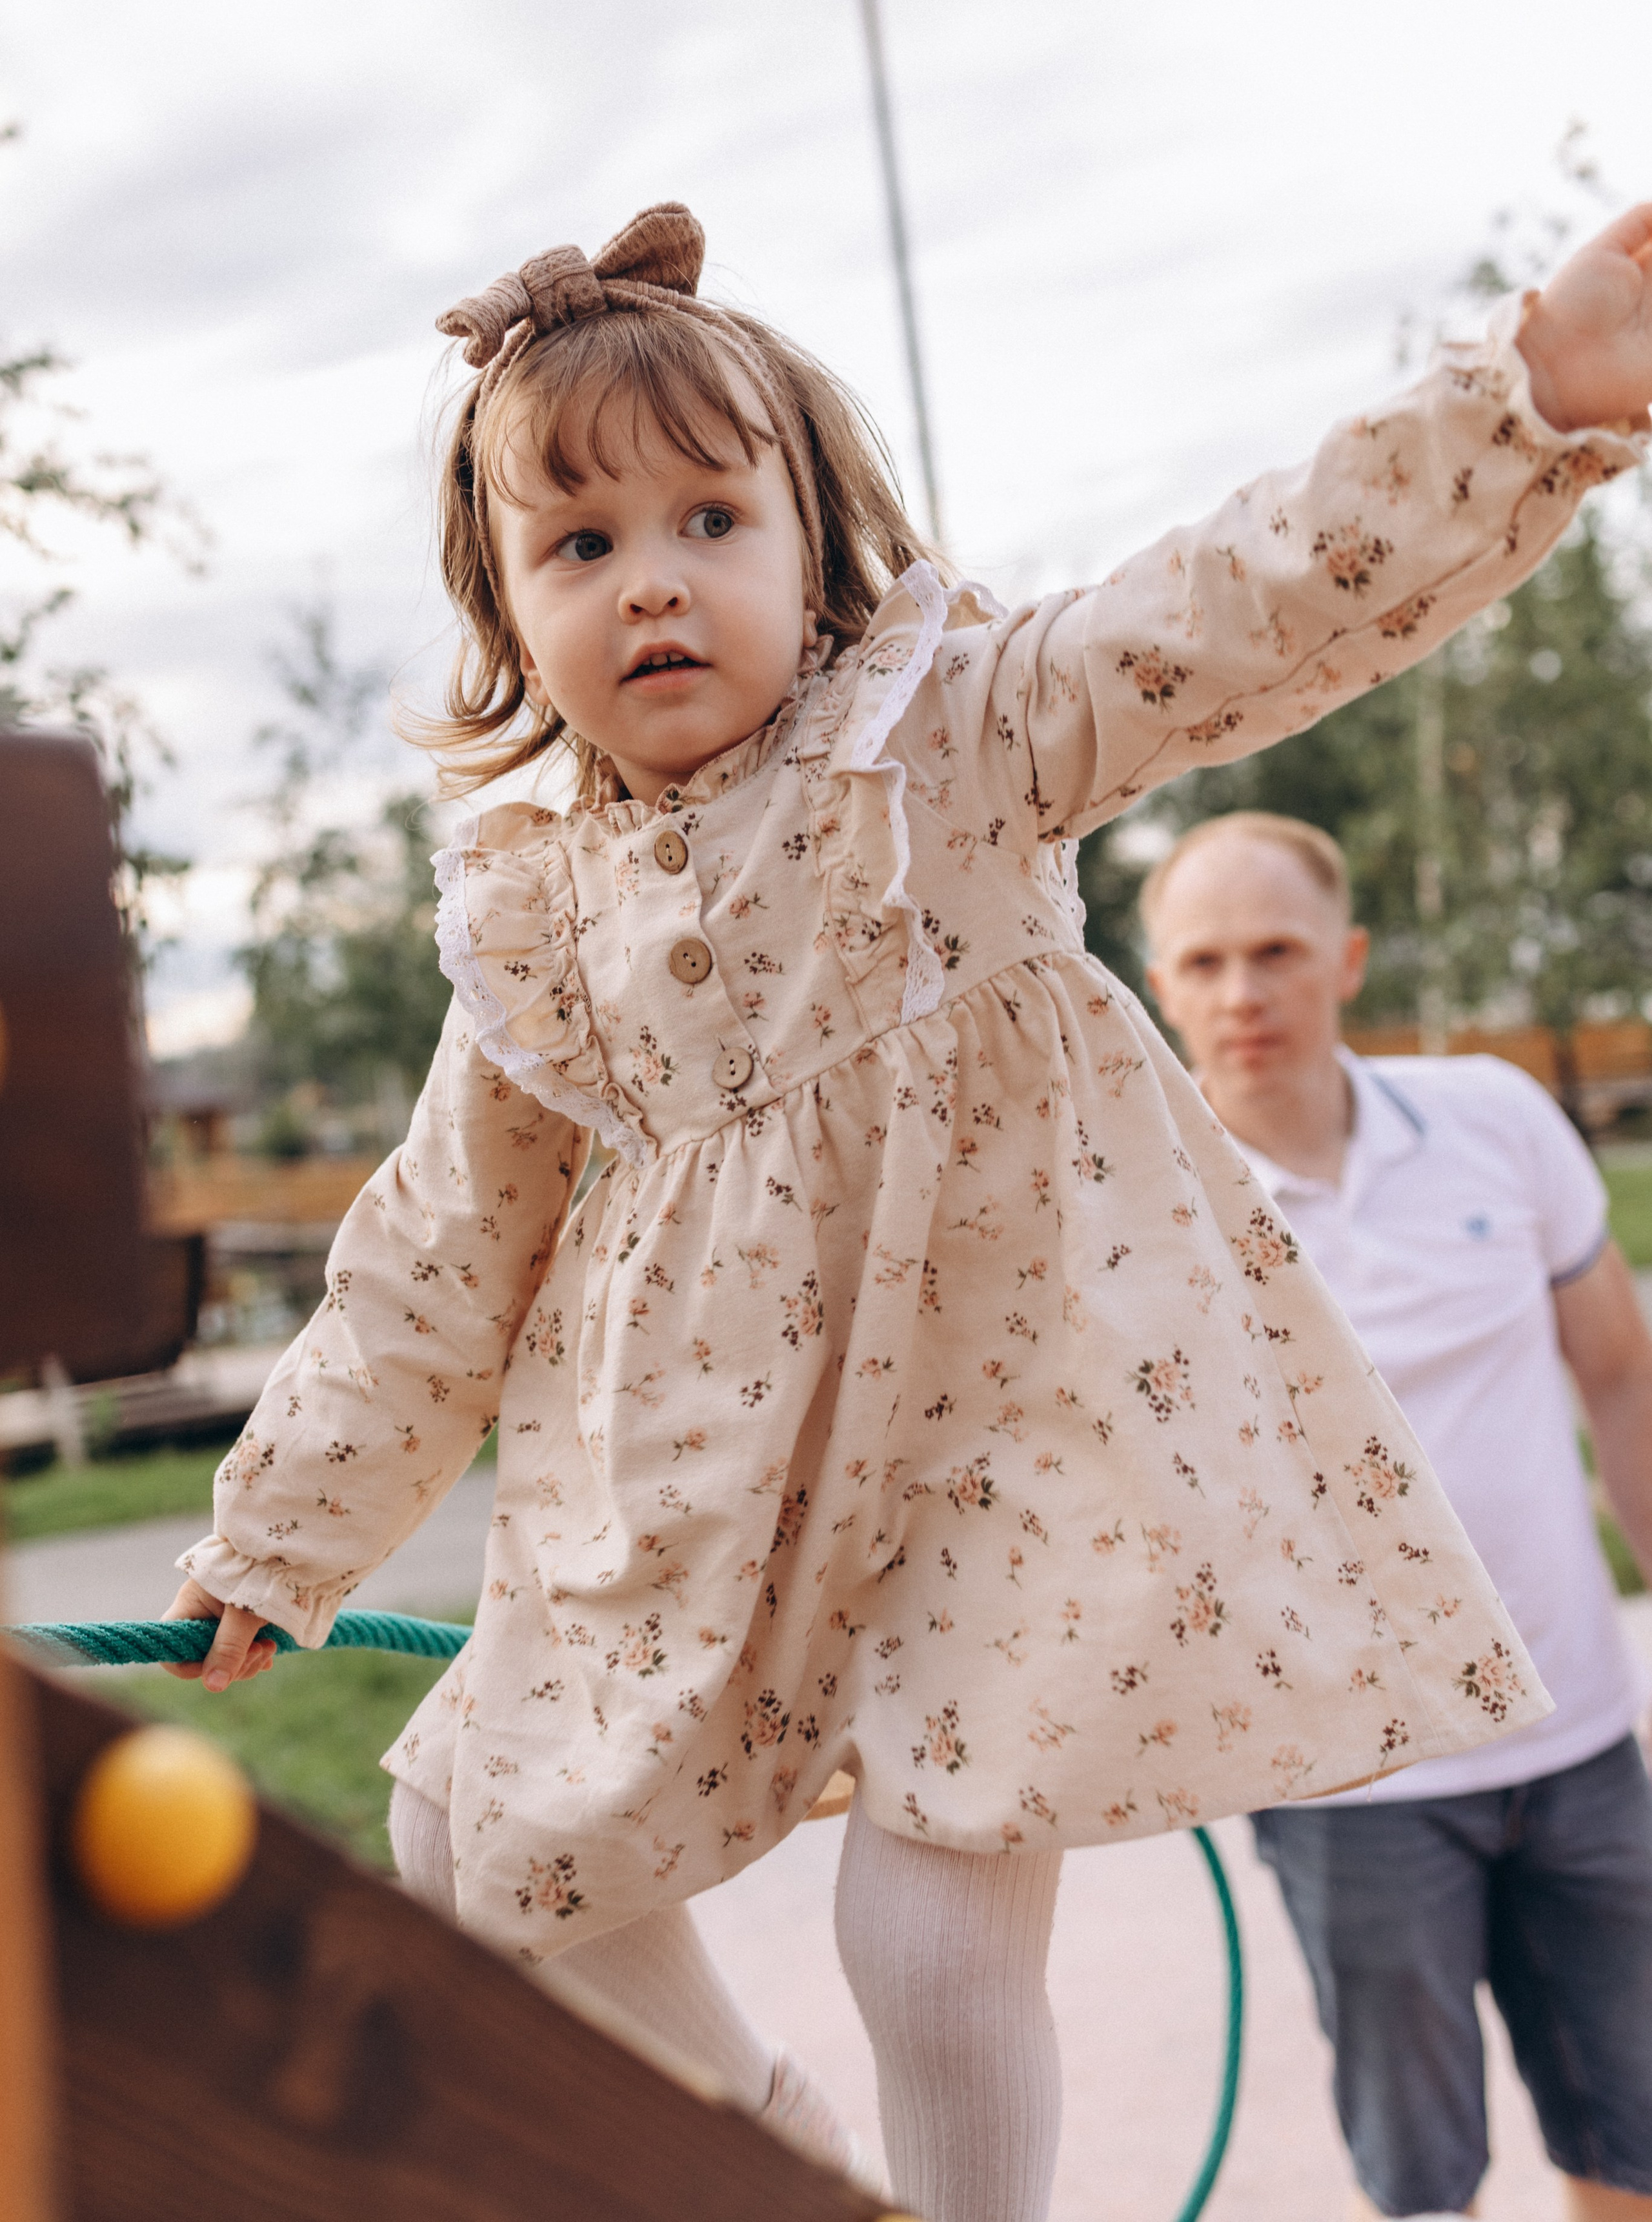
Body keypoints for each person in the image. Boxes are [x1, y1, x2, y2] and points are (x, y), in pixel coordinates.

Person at [165, 197, 1652, 2222]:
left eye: (711, 521)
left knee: (932, 1931)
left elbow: (1240, 604)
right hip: (706, 1476)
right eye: (580, 549)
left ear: (816, 544)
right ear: (512, 621)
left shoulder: (950, 742)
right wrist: (282, 1527)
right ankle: (769, 2140)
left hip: (996, 1434)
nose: (654, 587)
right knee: (458, 1832)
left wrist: (1523, 402)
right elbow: (433, 1252)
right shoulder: (538, 923)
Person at [1143, 809, 1652, 2222]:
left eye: (1275, 953)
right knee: (1420, 2180)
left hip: (1578, 1740)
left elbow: (1618, 1375)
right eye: (1203, 961)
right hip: (1352, 1785)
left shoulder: (1492, 1120)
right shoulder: (1138, 1212)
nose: (1242, 994)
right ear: (1157, 982)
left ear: (1346, 959)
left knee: (1631, 2135)